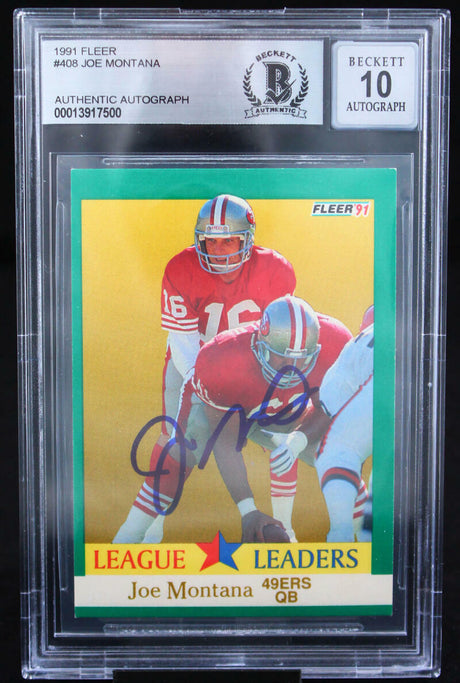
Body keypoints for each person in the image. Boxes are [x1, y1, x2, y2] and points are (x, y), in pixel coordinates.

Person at [113, 194, 296, 543]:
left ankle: (288, 528)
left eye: (229, 241)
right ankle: (148, 528)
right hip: (192, 361)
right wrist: (206, 385)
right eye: (211, 241)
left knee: (285, 438)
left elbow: (277, 338)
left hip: (252, 366)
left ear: (247, 240)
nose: (219, 250)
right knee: (175, 442)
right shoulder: (181, 268)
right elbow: (182, 343)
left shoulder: (275, 270)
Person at [189, 295, 356, 542]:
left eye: (302, 357)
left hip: (288, 408)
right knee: (184, 445)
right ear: (260, 343)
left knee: (339, 452)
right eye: (282, 356)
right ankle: (144, 528)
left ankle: (361, 531)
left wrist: (297, 440)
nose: (292, 366)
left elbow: (329, 407)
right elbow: (225, 441)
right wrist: (248, 511)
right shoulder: (222, 357)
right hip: (237, 408)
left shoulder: (336, 341)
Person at [313, 307, 374, 542]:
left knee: (337, 451)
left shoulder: (358, 343)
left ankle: (341, 537)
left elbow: (332, 407)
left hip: (383, 376)